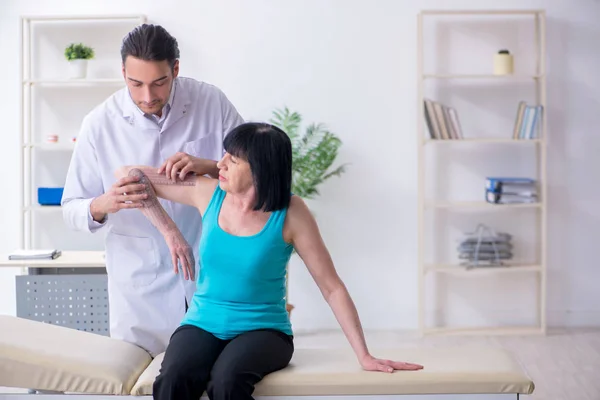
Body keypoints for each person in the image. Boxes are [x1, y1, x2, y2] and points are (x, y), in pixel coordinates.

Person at [115, 122, 424, 400]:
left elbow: (332, 287)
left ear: (260, 170)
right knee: (173, 380)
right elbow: (130, 175)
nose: (218, 164)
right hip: (202, 322)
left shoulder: (291, 213)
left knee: (226, 382)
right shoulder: (208, 193)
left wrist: (364, 355)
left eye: (232, 161)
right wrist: (170, 232)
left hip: (264, 331)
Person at [61, 23, 244, 357]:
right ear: (123, 73)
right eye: (136, 83)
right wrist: (103, 204)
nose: (148, 96)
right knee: (141, 386)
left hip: (210, 275)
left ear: (175, 69)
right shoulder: (99, 123)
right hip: (139, 289)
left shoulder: (210, 102)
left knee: (213, 379)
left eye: (159, 82)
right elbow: (71, 207)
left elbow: (249, 170)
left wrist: (204, 164)